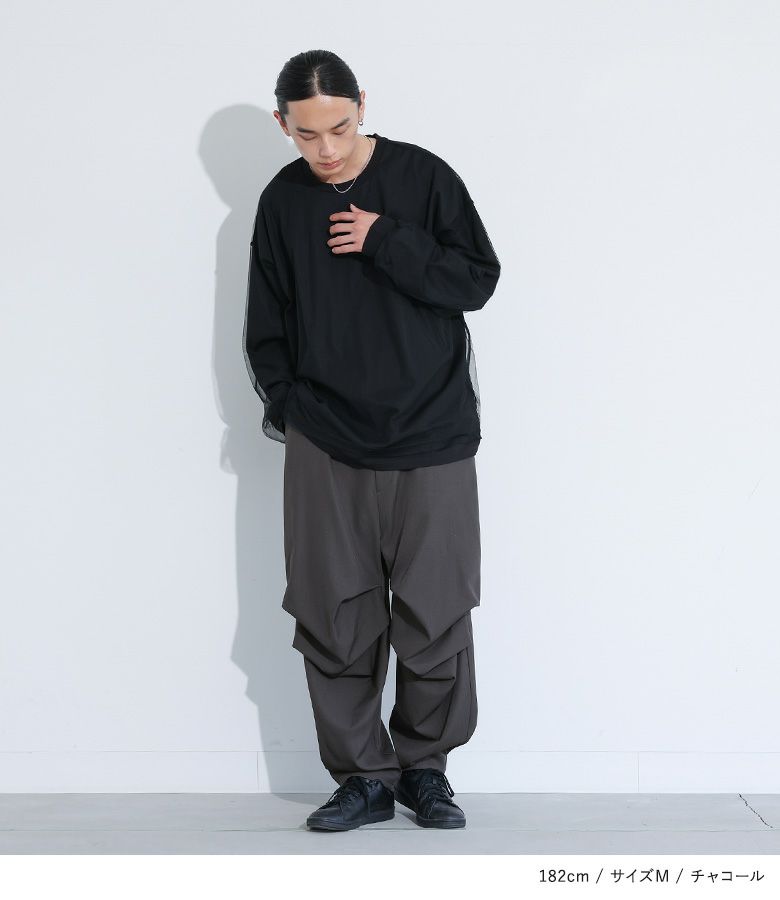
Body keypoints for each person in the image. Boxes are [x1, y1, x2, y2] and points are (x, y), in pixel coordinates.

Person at [242, 49, 501, 832]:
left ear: (362, 104)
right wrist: (292, 408)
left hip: (432, 430)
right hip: (327, 438)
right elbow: (266, 324)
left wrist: (387, 239)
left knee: (436, 607)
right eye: (306, 134)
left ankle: (425, 770)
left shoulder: (424, 178)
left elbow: (476, 281)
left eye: (341, 128)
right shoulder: (282, 201)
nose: (325, 149)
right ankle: (361, 777)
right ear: (282, 123)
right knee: (334, 612)